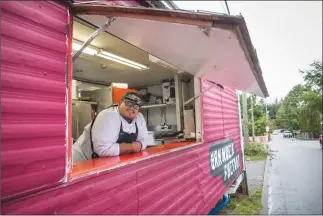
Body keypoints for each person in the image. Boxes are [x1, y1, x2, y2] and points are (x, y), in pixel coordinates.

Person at [72, 92, 150, 162]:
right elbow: (103, 150)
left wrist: (127, 147)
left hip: (103, 161)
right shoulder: (108, 116)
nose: (132, 108)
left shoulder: (139, 118)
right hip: (81, 160)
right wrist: (133, 146)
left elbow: (144, 141)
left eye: (136, 106)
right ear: (120, 103)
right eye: (128, 103)